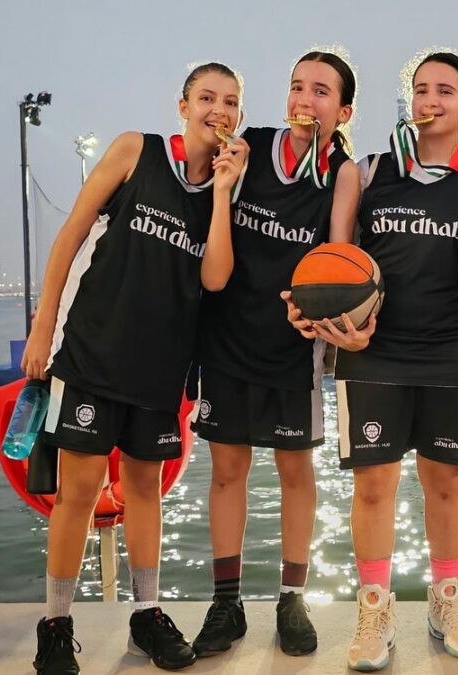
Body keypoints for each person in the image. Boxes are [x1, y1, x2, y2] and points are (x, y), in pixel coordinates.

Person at [19, 62, 247, 674]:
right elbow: (69, 235)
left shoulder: (224, 191)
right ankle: (56, 624)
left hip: (161, 371)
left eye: (229, 102)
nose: (217, 111)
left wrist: (224, 192)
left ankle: (146, 615)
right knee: (79, 494)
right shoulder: (135, 151)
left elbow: (215, 277)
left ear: (239, 118)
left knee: (146, 490)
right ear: (183, 105)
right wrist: (43, 328)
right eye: (206, 98)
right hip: (92, 355)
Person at [289, 50, 458, 671]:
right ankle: (375, 611)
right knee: (375, 486)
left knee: (445, 484)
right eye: (420, 90)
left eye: (445, 90)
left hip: (447, 350)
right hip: (374, 353)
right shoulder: (367, 170)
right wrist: (339, 335)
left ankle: (446, 602)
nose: (430, 101)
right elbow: (336, 263)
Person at [189, 49, 360, 658]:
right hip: (229, 334)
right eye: (296, 87)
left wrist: (322, 310)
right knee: (228, 471)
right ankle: (226, 602)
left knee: (295, 473)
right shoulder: (248, 146)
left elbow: (338, 257)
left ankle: (292, 599)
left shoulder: (342, 172)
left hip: (294, 345)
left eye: (320, 92)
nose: (304, 101)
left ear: (343, 110)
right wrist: (224, 181)